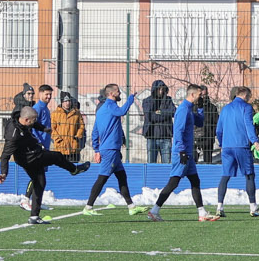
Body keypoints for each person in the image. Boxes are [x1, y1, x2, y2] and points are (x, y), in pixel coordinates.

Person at [0, 106, 88, 224]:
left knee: (39, 183)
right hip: (30, 158)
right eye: (33, 120)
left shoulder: (21, 119)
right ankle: (74, 169)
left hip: (31, 154)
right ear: (25, 120)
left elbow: (33, 124)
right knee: (57, 156)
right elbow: (5, 155)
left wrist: (44, 129)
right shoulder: (14, 135)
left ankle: (34, 217)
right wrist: (4, 173)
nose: (34, 122)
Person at [149, 85, 216, 221]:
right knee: (173, 182)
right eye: (199, 95)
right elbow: (178, 131)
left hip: (187, 153)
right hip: (182, 153)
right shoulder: (183, 110)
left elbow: (200, 122)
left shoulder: (190, 109)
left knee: (195, 181)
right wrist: (181, 151)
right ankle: (154, 210)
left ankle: (202, 213)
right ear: (192, 95)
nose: (200, 97)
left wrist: (201, 109)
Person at [83, 83, 143, 213]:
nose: (120, 93)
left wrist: (97, 149)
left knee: (122, 177)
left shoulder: (102, 110)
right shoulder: (111, 106)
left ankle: (131, 207)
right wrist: (131, 99)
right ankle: (88, 207)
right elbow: (122, 111)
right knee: (102, 178)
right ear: (111, 94)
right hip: (110, 150)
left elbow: (95, 131)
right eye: (118, 91)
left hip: (111, 149)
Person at [213, 85, 259, 216]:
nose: (249, 99)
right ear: (245, 95)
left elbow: (219, 129)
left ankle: (219, 207)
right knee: (249, 175)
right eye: (249, 96)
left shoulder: (225, 108)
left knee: (225, 175)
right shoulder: (246, 107)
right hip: (241, 146)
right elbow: (248, 125)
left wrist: (222, 143)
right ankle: (253, 207)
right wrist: (254, 140)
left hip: (227, 147)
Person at [141, 81, 175, 164]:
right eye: (159, 89)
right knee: (151, 162)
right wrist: (165, 115)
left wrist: (160, 112)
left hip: (166, 136)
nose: (161, 91)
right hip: (151, 136)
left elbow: (173, 112)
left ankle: (167, 177)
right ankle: (151, 177)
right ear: (154, 90)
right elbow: (149, 116)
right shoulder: (147, 101)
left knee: (167, 162)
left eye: (163, 89)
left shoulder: (168, 100)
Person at [50, 92, 83, 163]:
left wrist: (78, 136)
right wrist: (58, 139)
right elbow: (52, 128)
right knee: (60, 170)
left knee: (74, 169)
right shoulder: (55, 114)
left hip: (73, 147)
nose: (67, 103)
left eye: (69, 101)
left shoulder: (76, 113)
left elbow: (81, 126)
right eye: (65, 101)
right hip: (60, 147)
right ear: (62, 102)